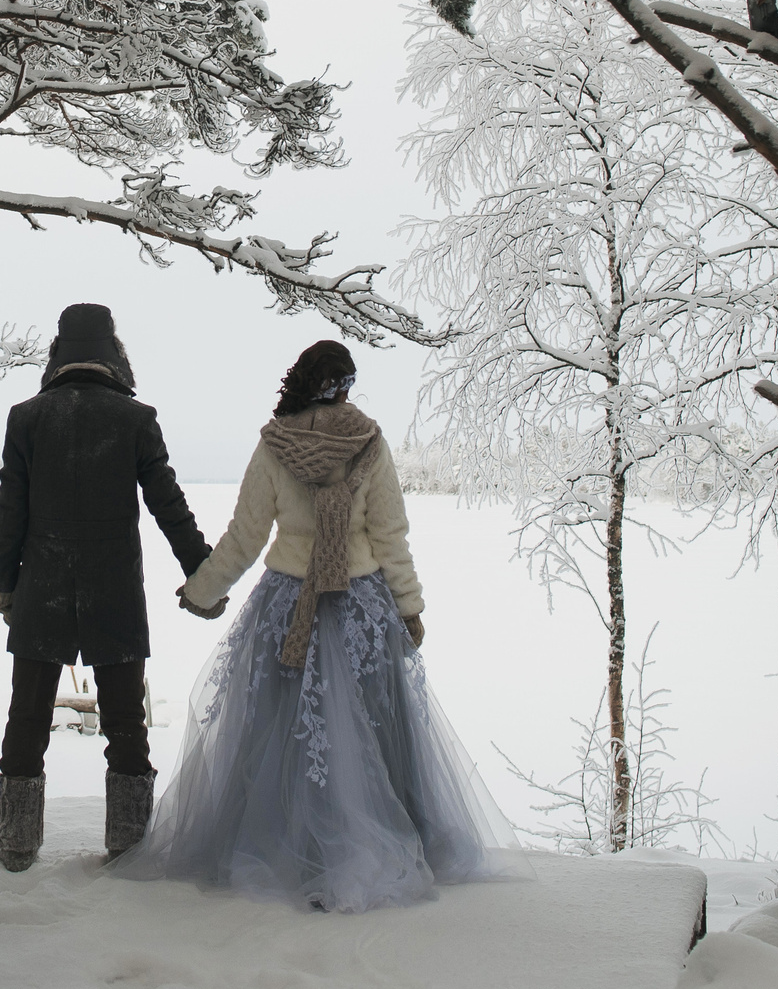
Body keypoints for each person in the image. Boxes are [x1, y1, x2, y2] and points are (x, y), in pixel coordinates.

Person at [111, 339, 522, 912]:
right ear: (346, 385)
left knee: (282, 736)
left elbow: (245, 537)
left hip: (286, 613)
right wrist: (409, 605)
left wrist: (203, 591)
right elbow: (390, 536)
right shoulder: (368, 442)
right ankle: (384, 845)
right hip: (361, 609)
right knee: (370, 737)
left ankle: (281, 848)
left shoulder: (274, 444)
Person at [0, 303, 211, 872]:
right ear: (113, 350)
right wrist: (202, 570)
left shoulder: (27, 417)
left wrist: (4, 582)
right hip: (115, 590)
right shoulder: (134, 419)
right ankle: (129, 843)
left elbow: (10, 509)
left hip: (42, 587)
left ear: (58, 350)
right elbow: (169, 505)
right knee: (125, 722)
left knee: (27, 716)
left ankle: (18, 844)